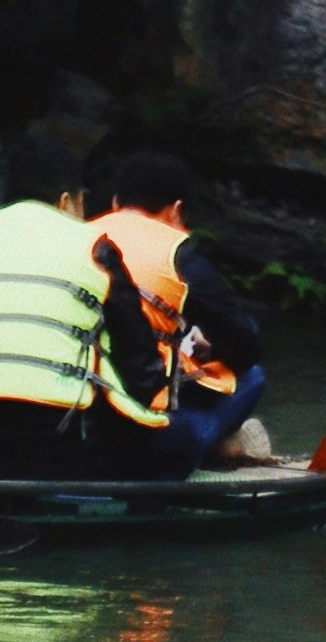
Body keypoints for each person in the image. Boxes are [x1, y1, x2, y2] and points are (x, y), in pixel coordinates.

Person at [0, 135, 184, 478]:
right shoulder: (94, 248)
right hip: (57, 448)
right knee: (183, 439)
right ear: (67, 201)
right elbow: (143, 369)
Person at [92, 149, 269, 461]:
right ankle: (207, 440)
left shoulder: (78, 236)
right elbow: (244, 344)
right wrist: (211, 351)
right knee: (252, 377)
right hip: (141, 413)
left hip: (75, 398)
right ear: (175, 211)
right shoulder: (179, 255)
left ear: (116, 203)